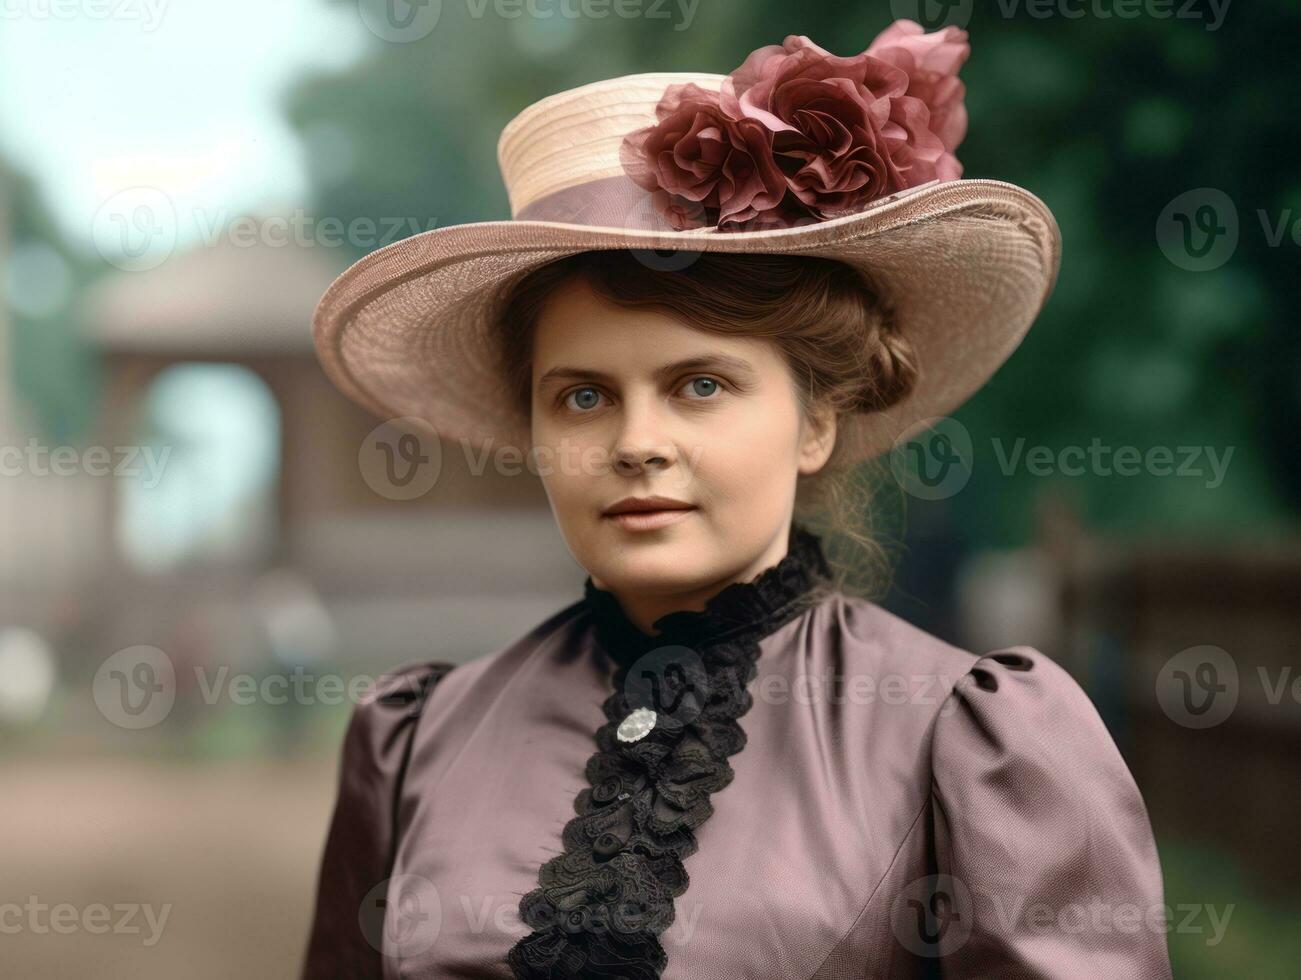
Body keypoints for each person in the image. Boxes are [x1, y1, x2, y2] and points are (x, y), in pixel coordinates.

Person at [300, 21, 1173, 980]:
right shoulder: (417, 738)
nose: (635, 445)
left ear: (815, 421)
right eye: (582, 396)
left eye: (699, 386)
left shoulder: (970, 745)